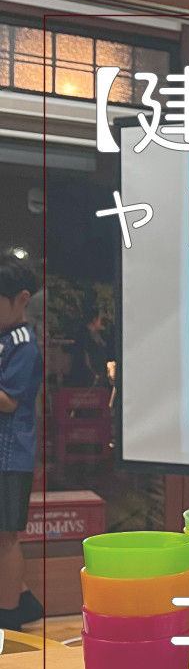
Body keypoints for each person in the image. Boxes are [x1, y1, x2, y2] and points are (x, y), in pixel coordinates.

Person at [0, 253, 44, 630]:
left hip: (10, 457)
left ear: (22, 299)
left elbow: (9, 401)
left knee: (6, 537)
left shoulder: (23, 344)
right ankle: (24, 600)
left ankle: (9, 616)